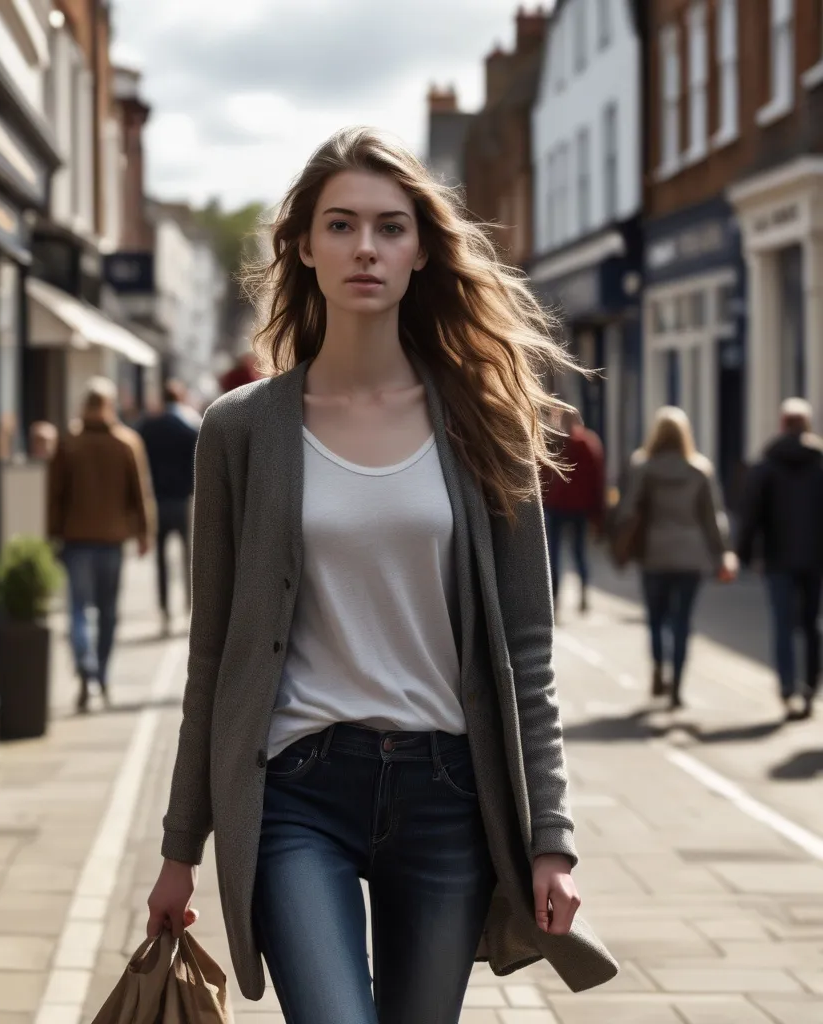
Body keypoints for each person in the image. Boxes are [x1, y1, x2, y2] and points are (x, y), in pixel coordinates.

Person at [145, 127, 616, 1024]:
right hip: (296, 790)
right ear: (304, 247)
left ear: (422, 251)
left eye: (391, 227)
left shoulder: (485, 420)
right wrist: (180, 847)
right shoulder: (240, 431)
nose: (366, 246)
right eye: (341, 225)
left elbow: (528, 650)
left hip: (447, 792)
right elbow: (214, 657)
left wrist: (551, 840)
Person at [47, 377, 156, 711]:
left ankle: (85, 667)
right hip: (111, 539)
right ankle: (103, 673)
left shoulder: (69, 443)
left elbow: (55, 494)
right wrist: (144, 532)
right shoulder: (126, 442)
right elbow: (140, 491)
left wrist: (51, 533)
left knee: (78, 609)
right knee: (108, 611)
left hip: (76, 537)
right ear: (109, 407)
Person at [616, 407, 736, 709]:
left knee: (656, 618)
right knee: (682, 621)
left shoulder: (643, 467)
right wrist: (724, 552)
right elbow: (713, 518)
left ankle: (658, 666)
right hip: (691, 555)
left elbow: (628, 510)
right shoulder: (699, 470)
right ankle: (678, 686)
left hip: (654, 553)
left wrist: (620, 540)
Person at [736, 398, 823, 720]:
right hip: (815, 559)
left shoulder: (767, 465)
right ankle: (811, 687)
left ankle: (788, 687)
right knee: (812, 625)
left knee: (783, 625)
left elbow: (751, 514)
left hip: (778, 559)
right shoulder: (819, 462)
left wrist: (743, 555)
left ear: (783, 424)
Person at [140, 380, 202, 636]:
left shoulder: (148, 428)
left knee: (161, 561)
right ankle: (191, 609)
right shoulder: (189, 427)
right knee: (190, 560)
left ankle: (165, 610)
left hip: (157, 501)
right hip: (184, 501)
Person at [541, 409, 605, 616]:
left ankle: (555, 597)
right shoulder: (587, 443)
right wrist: (597, 511)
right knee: (578, 551)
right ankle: (584, 590)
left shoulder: (551, 442)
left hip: (556, 504)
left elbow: (540, 474)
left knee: (553, 553)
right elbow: (597, 478)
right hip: (579, 506)